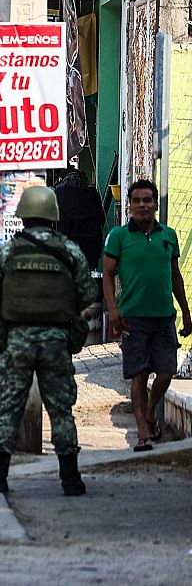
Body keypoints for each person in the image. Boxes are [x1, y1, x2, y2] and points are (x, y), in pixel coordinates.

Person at [0, 185, 98, 497]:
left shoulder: (6, 252)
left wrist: (2, 337)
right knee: (61, 409)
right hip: (56, 341)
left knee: (9, 408)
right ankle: (71, 478)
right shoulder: (69, 250)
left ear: (23, 216)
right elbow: (87, 294)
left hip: (18, 339)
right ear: (53, 215)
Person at [102, 179, 192, 451]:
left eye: (147, 201)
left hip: (164, 316)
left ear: (154, 204)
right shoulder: (119, 236)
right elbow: (107, 274)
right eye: (137, 201)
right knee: (139, 376)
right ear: (130, 205)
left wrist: (186, 312)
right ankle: (143, 432)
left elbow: (175, 276)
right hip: (133, 318)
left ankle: (151, 412)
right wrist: (114, 309)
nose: (142, 205)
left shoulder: (169, 236)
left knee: (166, 373)